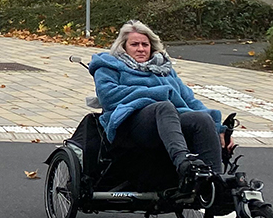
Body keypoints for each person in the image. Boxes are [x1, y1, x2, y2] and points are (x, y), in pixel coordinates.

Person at [88, 20, 228, 193]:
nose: (140, 48)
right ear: (123, 47)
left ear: (151, 46)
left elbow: (190, 101)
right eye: (134, 44)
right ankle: (183, 164)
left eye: (145, 44)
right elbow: (109, 97)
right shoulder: (109, 66)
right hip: (130, 125)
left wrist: (219, 127)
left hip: (169, 122)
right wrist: (157, 93)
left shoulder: (164, 68)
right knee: (164, 107)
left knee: (202, 118)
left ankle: (214, 182)